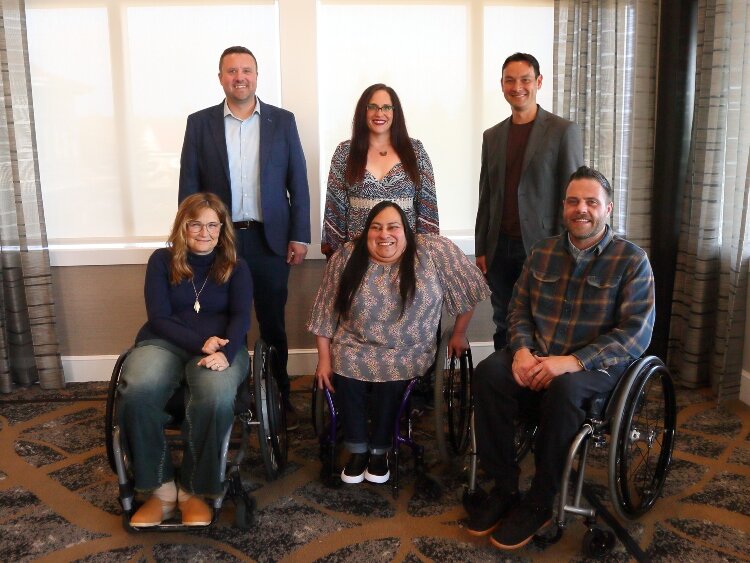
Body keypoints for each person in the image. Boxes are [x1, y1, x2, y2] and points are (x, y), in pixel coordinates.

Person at [468, 167, 656, 550]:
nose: (581, 209)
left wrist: (574, 361)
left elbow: (636, 333)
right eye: (573, 201)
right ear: (563, 207)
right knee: (489, 372)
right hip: (537, 357)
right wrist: (520, 350)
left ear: (608, 208)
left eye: (591, 202)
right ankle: (504, 489)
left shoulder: (632, 261)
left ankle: (540, 500)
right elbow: (518, 309)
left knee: (566, 389)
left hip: (594, 372)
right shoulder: (542, 252)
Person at [308, 201, 488, 484]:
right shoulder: (346, 257)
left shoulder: (433, 252)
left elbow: (470, 290)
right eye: (376, 228)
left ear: (406, 231)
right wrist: (324, 359)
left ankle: (380, 450)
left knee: (393, 372)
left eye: (393, 227)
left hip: (409, 349)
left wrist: (458, 334)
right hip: (354, 346)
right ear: (367, 231)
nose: (384, 235)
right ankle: (357, 449)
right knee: (345, 370)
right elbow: (324, 313)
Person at [179, 46, 310, 429]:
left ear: (257, 75)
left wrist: (299, 236)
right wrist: (190, 236)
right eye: (232, 71)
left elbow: (297, 183)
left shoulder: (282, 122)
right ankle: (229, 394)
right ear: (220, 77)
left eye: (247, 70)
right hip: (219, 242)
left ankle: (278, 396)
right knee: (222, 320)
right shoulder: (199, 124)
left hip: (269, 240)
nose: (240, 77)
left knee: (272, 324)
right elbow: (189, 187)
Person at [118, 193, 252, 528]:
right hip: (163, 342)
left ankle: (193, 489)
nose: (204, 232)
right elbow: (159, 317)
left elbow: (240, 317)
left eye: (212, 225)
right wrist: (199, 342)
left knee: (216, 394)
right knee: (137, 389)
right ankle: (160, 490)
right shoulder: (161, 261)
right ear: (183, 226)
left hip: (220, 348)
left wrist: (225, 351)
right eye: (196, 224)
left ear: (222, 230)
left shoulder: (236, 266)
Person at [475, 52, 583, 351]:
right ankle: (504, 385)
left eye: (524, 79)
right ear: (502, 85)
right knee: (503, 319)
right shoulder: (492, 136)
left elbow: (574, 197)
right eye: (510, 80)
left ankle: (535, 386)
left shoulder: (563, 131)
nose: (517, 86)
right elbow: (487, 194)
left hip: (544, 245)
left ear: (538, 82)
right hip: (500, 247)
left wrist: (570, 248)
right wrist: (482, 247)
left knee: (542, 319)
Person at [321, 83, 439, 259]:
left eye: (386, 107)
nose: (379, 113)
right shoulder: (344, 152)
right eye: (372, 107)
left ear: (395, 112)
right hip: (357, 256)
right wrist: (337, 259)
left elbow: (428, 211)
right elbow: (335, 211)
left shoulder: (416, 152)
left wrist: (423, 258)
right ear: (363, 111)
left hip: (405, 256)